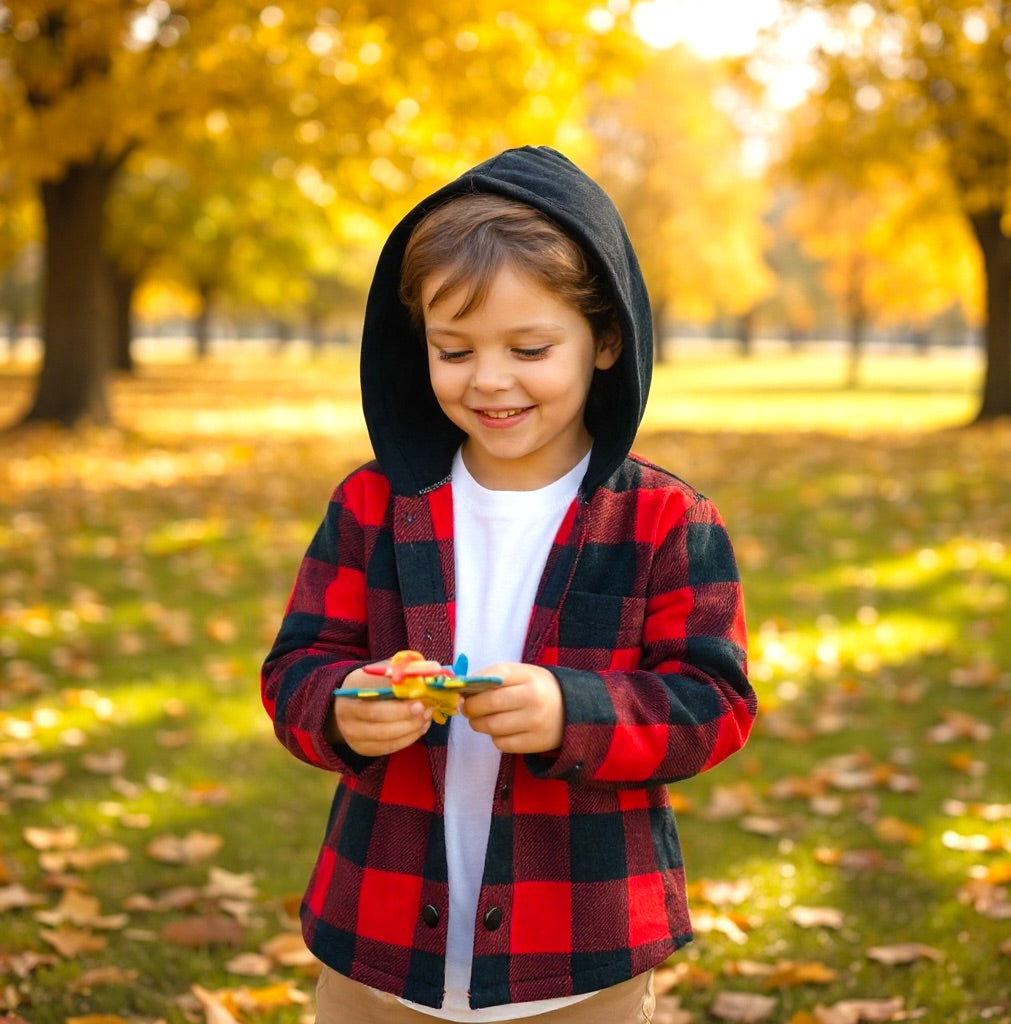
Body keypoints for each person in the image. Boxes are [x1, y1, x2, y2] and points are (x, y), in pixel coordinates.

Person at [260, 146, 756, 1024]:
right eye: (454, 350)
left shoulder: (666, 520)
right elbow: (296, 663)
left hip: (580, 959)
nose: (489, 379)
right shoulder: (375, 504)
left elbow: (713, 702)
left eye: (529, 348)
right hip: (378, 949)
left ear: (606, 340)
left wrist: (576, 711)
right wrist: (342, 703)